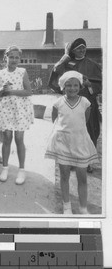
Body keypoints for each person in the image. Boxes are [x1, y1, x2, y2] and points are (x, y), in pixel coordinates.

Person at [45, 71, 100, 214]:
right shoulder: (58, 103)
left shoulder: (85, 103)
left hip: (80, 143)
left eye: (75, 85)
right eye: (68, 85)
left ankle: (83, 208)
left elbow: (85, 120)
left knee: (82, 177)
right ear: (63, 87)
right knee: (64, 175)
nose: (72, 88)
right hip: (63, 143)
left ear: (80, 86)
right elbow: (55, 120)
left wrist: (77, 133)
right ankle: (67, 206)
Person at [48, 38, 102, 169]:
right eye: (78, 48)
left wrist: (90, 86)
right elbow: (55, 77)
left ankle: (88, 162)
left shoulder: (92, 64)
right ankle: (71, 160)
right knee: (70, 131)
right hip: (70, 103)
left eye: (84, 47)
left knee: (89, 131)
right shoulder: (67, 64)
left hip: (87, 104)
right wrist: (65, 57)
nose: (82, 50)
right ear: (72, 50)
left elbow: (100, 85)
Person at [0, 45, 34, 184]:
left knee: (19, 138)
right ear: (6, 58)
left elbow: (28, 91)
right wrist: (1, 90)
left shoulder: (22, 72)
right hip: (5, 109)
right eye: (11, 57)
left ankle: (21, 170)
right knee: (7, 138)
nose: (14, 60)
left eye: (17, 57)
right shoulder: (0, 74)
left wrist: (10, 92)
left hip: (20, 109)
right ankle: (5, 168)